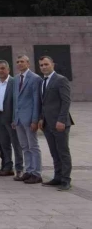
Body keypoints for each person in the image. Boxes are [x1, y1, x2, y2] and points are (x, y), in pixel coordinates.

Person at [38, 56, 73, 191]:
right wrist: (41, 118)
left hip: (59, 123)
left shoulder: (60, 80)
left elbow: (66, 101)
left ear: (53, 64)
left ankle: (66, 180)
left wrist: (61, 120)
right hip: (47, 123)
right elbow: (43, 103)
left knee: (63, 152)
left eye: (46, 64)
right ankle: (57, 177)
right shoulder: (43, 81)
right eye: (41, 65)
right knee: (54, 152)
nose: (43, 67)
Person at [0, 60, 23, 177]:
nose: (0, 71)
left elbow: (17, 102)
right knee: (4, 144)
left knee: (16, 144)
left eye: (3, 68)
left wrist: (15, 118)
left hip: (11, 118)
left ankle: (19, 168)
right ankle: (8, 166)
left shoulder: (14, 82)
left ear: (8, 69)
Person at [12, 55, 43, 184]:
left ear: (28, 63)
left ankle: (37, 173)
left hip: (30, 118)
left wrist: (35, 120)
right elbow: (15, 101)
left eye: (22, 62)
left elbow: (37, 101)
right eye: (18, 62)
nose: (19, 64)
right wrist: (14, 118)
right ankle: (29, 170)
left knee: (33, 146)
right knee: (24, 146)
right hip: (19, 119)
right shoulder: (16, 79)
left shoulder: (35, 79)